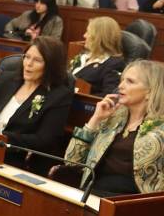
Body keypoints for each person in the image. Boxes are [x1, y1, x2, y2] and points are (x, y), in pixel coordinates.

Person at [65, 60, 164, 196]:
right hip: (92, 192)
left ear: (150, 91)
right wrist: (95, 120)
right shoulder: (112, 119)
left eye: (130, 81)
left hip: (130, 204)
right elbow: (71, 161)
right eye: (122, 80)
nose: (120, 86)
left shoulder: (161, 129)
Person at [0, 37, 73, 171]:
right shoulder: (6, 79)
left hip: (16, 159)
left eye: (37, 60)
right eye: (27, 57)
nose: (28, 64)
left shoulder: (58, 95)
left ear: (50, 65)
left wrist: (1, 136)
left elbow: (44, 140)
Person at [69, 17, 126, 96]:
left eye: (88, 32)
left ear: (99, 38)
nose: (84, 35)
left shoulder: (114, 64)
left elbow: (108, 95)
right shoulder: (83, 55)